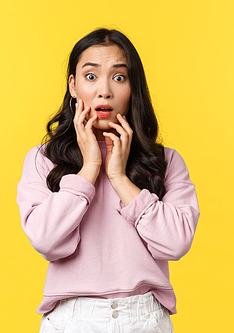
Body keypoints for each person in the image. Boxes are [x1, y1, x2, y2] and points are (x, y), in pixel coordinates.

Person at [17, 28, 200, 333]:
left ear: (133, 87)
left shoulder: (166, 161)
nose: (104, 91)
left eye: (118, 77)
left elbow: (177, 243)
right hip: (72, 319)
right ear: (73, 86)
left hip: (145, 318)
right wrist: (89, 168)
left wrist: (118, 177)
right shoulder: (43, 159)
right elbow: (45, 239)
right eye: (91, 77)